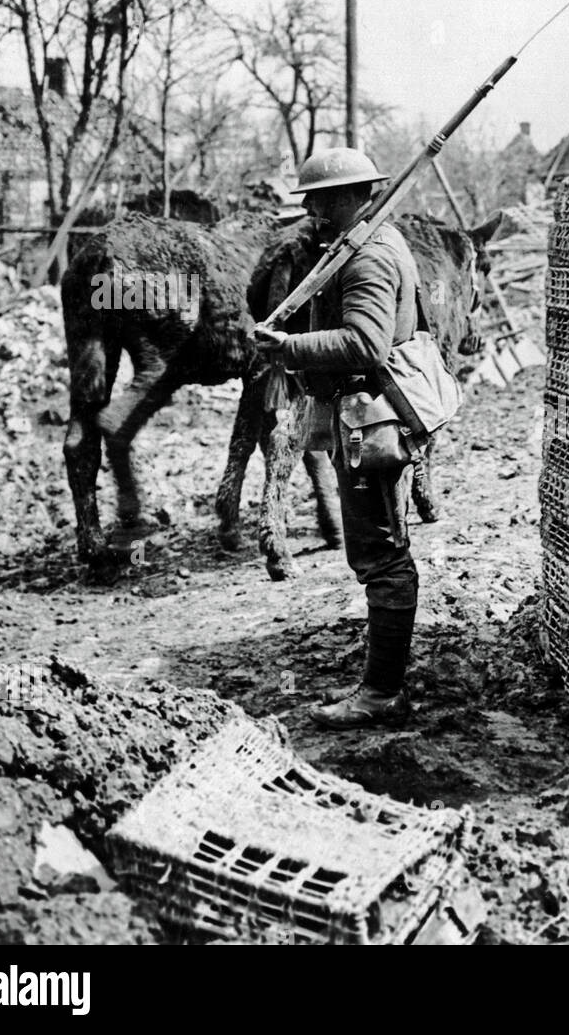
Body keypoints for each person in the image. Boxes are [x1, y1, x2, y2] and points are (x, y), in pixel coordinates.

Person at [256, 147, 419, 728]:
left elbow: (366, 343)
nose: (314, 211)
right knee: (379, 551)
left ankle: (381, 694)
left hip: (369, 421)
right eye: (312, 200)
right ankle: (383, 681)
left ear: (356, 197)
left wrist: (288, 348)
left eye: (325, 200)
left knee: (381, 555)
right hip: (362, 414)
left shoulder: (367, 258)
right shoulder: (367, 243)